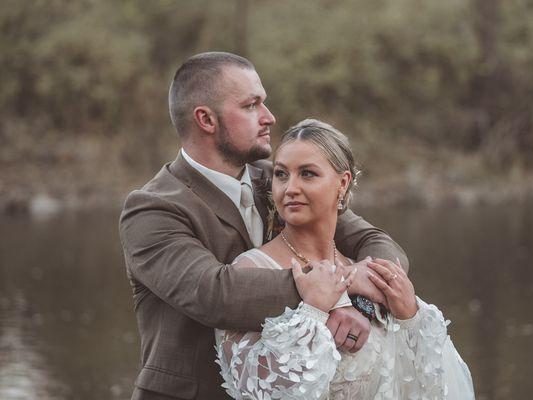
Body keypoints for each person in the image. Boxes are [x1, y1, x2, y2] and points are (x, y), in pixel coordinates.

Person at [119, 52, 409, 400]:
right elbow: (213, 293)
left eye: (264, 103)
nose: (269, 117)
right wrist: (329, 288)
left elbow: (375, 242)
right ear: (206, 119)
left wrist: (360, 300)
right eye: (251, 105)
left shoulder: (280, 179)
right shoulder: (153, 208)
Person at [215, 119, 475, 399]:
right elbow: (257, 390)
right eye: (281, 174)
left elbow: (431, 385)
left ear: (342, 182)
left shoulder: (364, 270)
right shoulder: (249, 270)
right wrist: (313, 312)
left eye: (307, 174)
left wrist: (410, 318)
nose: (290, 188)